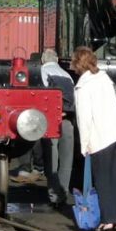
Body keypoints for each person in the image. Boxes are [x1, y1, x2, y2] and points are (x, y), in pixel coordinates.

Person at [71, 46, 116, 231]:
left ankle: (108, 220)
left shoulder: (82, 87)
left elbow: (84, 119)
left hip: (101, 138)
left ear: (77, 64)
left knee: (102, 179)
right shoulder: (105, 78)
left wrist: (84, 145)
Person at [41, 49, 75, 207]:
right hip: (67, 119)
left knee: (52, 159)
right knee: (66, 158)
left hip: (50, 121)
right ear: (57, 60)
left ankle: (54, 196)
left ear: (43, 60)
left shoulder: (42, 72)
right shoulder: (67, 75)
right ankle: (63, 194)